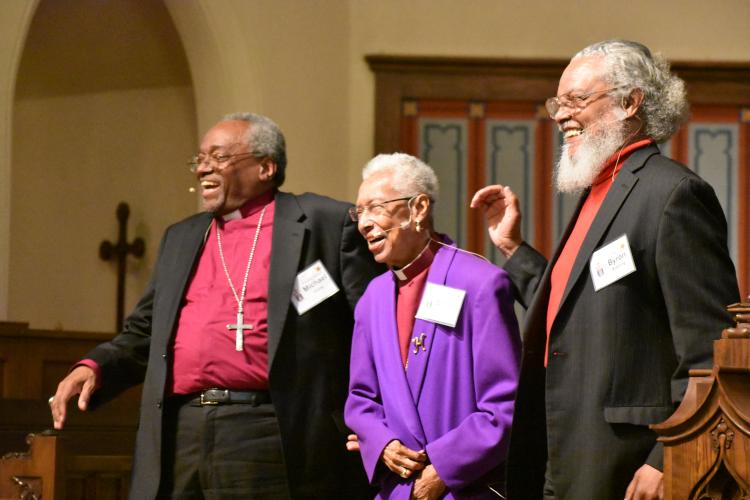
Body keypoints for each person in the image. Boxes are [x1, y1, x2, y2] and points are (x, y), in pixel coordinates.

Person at [49, 112, 383, 499]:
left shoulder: (324, 222)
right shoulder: (182, 237)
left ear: (265, 167)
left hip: (270, 426)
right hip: (181, 429)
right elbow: (144, 331)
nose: (203, 168)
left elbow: (373, 325)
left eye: (219, 157)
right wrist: (95, 366)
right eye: (199, 159)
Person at [471, 40, 741, 500]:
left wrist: (668, 455)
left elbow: (711, 351)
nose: (559, 115)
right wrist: (513, 249)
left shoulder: (672, 194)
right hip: (563, 450)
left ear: (629, 102)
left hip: (628, 463)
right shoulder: (600, 189)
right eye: (558, 102)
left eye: (577, 100)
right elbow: (582, 306)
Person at [345, 153, 521, 499]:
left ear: (418, 209)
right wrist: (381, 443)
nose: (364, 223)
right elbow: (361, 398)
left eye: (376, 208)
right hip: (396, 488)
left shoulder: (480, 283)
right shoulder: (373, 297)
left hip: (463, 486)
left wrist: (443, 469)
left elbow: (504, 406)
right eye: (359, 212)